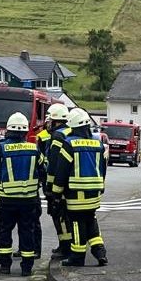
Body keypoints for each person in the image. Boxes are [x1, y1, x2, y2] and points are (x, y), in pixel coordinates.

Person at [50, 108, 108, 267]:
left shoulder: (69, 144)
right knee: (91, 219)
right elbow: (103, 168)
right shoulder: (98, 144)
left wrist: (55, 193)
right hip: (95, 192)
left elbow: (61, 172)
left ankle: (77, 256)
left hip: (76, 193)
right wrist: (101, 186)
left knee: (77, 222)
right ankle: (100, 252)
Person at [0, 112, 43, 276]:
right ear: (25, 131)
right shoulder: (34, 149)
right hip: (29, 198)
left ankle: (5, 266)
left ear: (8, 130)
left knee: (5, 232)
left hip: (7, 199)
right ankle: (26, 268)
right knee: (27, 231)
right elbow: (44, 167)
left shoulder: (1, 147)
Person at [38, 103, 74, 258]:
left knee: (59, 215)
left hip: (57, 183)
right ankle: (68, 246)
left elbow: (52, 163)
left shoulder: (57, 135)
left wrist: (50, 187)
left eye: (49, 120)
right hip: (71, 181)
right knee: (68, 215)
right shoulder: (71, 131)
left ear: (55, 120)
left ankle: (64, 247)